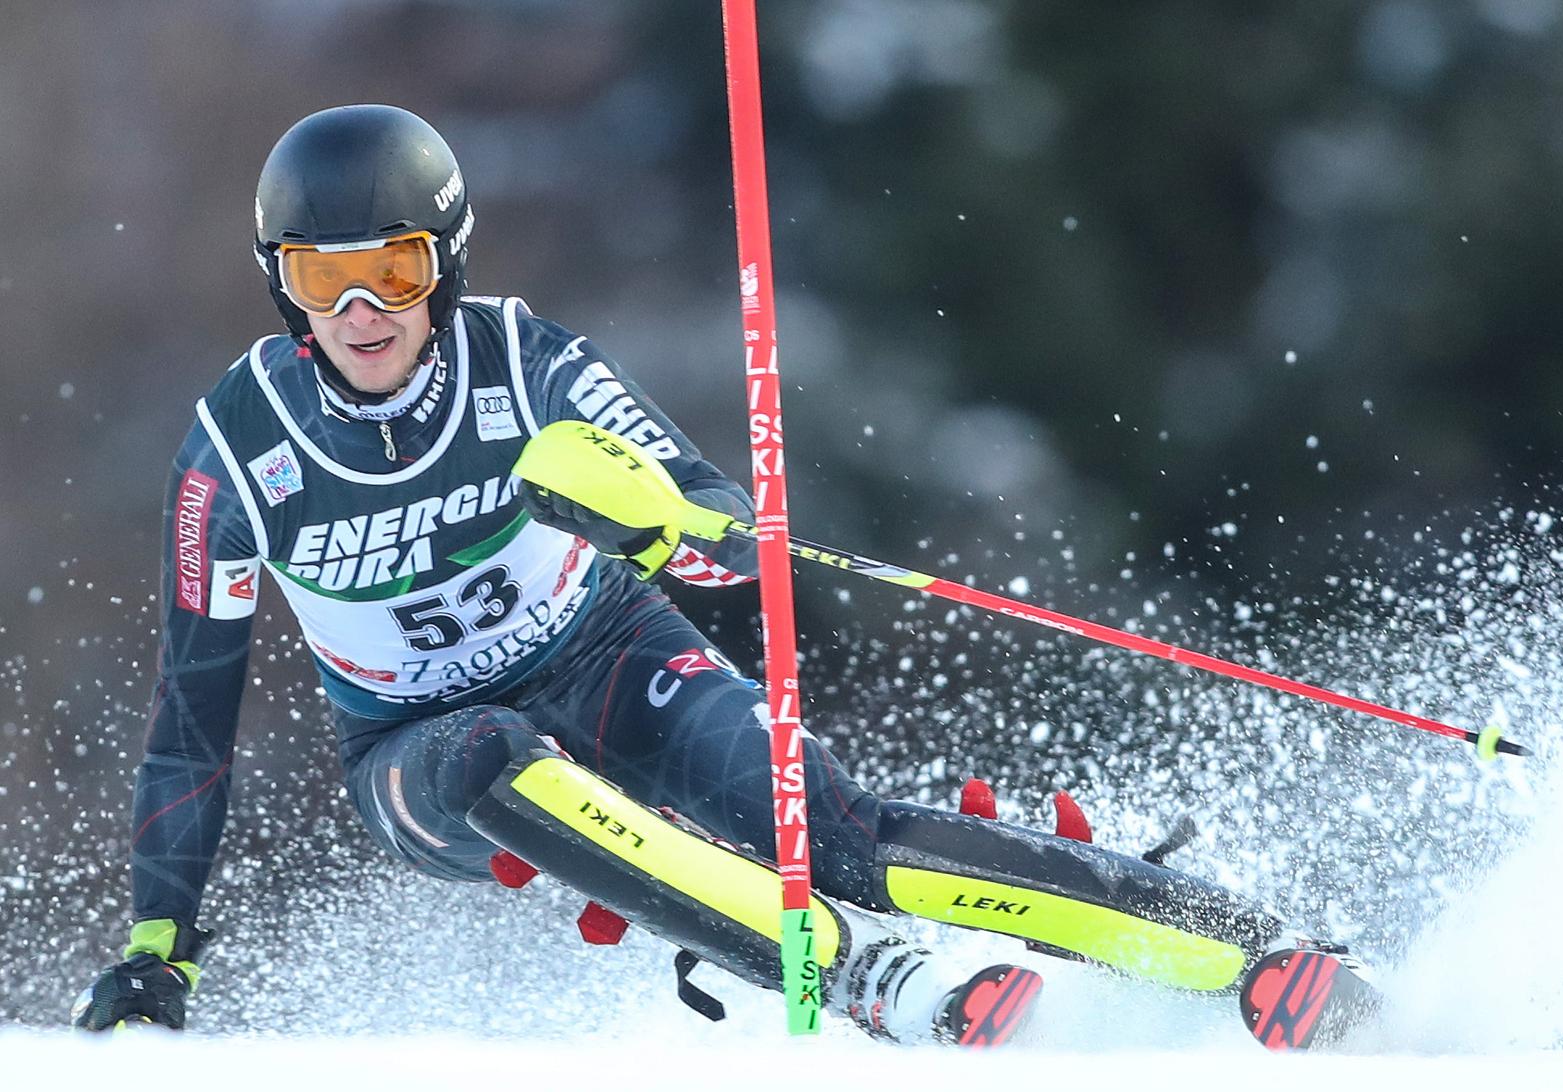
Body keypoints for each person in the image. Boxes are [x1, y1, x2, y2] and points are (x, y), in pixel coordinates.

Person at [72, 105, 1280, 1045]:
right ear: (278, 278)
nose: (358, 311)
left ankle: (1234, 949)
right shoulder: (232, 452)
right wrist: (160, 940)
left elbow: (716, 527)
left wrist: (650, 522)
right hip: (413, 753)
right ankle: (856, 972)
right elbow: (192, 725)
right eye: (316, 274)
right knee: (487, 751)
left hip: (607, 658)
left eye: (389, 269)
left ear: (440, 258)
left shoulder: (522, 360)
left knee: (838, 832)